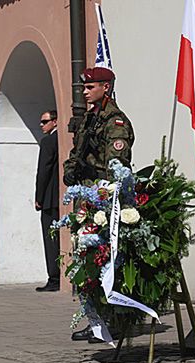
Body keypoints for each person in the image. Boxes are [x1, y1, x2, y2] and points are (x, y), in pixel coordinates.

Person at [64, 67, 135, 343]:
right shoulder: (89, 119)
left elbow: (116, 166)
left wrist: (101, 195)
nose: (84, 91)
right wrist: (70, 169)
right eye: (84, 87)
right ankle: (95, 320)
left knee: (106, 261)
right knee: (85, 261)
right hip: (86, 197)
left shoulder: (115, 123)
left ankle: (114, 320)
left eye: (90, 87)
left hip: (104, 199)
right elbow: (76, 151)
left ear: (106, 87)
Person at [35, 110, 60, 292]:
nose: (42, 125)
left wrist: (39, 197)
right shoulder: (64, 139)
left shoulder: (48, 141)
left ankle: (54, 278)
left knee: (51, 239)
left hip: (50, 198)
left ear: (55, 121)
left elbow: (43, 171)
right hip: (61, 196)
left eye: (45, 121)